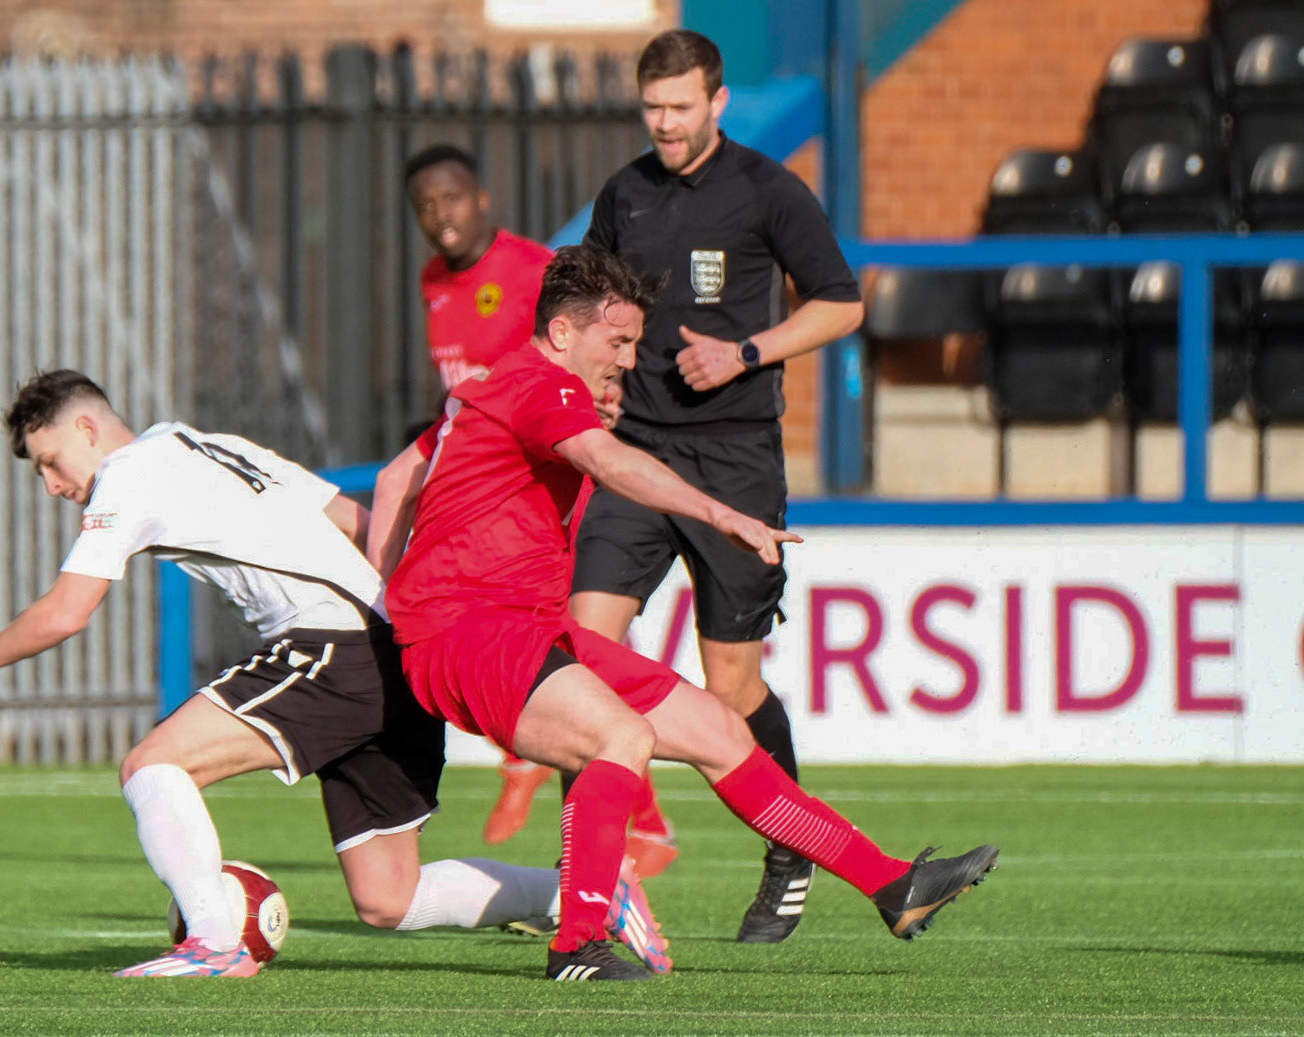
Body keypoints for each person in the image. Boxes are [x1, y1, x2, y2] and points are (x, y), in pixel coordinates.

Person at [369, 246, 998, 982]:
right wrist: (718, 513)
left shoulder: (499, 386)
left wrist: (382, 603)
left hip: (523, 625)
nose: (631, 361)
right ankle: (576, 945)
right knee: (619, 737)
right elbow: (610, 463)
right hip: (470, 632)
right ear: (565, 333)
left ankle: (892, 884)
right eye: (620, 341)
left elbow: (393, 478)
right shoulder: (543, 385)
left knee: (719, 729)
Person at [0, 369, 669, 979]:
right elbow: (357, 516)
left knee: (153, 763)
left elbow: (66, 612)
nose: (52, 483)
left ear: (87, 427)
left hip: (332, 646)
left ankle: (215, 937)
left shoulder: (128, 477)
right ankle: (585, 895)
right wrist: (398, 614)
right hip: (392, 649)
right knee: (389, 896)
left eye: (49, 461)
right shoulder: (205, 443)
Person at [570, 28, 867, 944]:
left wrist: (745, 351)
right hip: (641, 454)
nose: (664, 124)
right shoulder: (624, 193)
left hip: (737, 459)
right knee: (579, 652)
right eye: (652, 108)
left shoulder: (768, 191)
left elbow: (841, 302)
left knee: (731, 688)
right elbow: (589, 301)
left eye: (681, 107)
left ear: (718, 101)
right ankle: (594, 873)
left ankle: (791, 850)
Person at [405, 142, 676, 871]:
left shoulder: (529, 269)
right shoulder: (434, 280)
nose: (441, 216)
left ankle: (623, 831)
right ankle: (596, 835)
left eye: (452, 198)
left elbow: (586, 353)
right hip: (491, 471)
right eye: (426, 206)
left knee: (571, 651)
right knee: (547, 655)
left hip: (546, 468)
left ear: (482, 199)